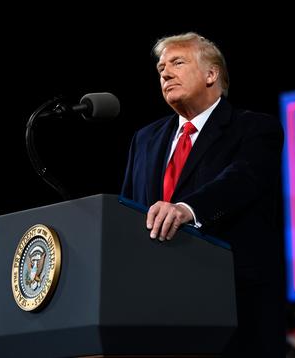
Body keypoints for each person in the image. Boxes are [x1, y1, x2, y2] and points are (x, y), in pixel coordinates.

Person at [121, 32, 285, 357]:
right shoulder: (144, 139)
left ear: (211, 74)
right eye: (161, 68)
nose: (165, 73)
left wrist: (186, 209)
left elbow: (242, 180)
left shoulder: (255, 129)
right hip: (156, 311)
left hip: (233, 307)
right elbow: (127, 210)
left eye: (177, 63)